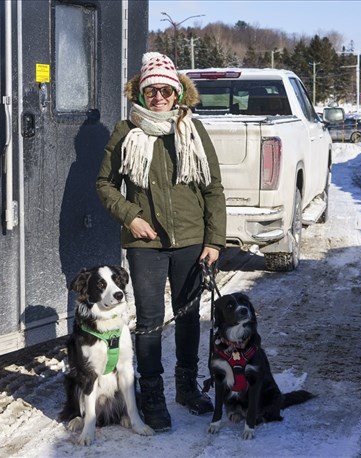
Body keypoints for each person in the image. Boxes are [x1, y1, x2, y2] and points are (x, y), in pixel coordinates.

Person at [96, 52, 226, 432]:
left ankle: (186, 387)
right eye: (151, 91)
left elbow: (213, 189)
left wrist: (214, 241)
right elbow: (105, 184)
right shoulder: (126, 131)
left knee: (188, 318)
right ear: (141, 93)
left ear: (177, 93)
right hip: (146, 244)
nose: (158, 97)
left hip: (191, 239)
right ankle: (152, 395)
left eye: (166, 91)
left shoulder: (193, 131)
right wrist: (131, 217)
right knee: (150, 321)